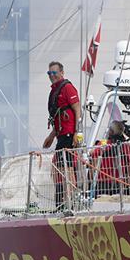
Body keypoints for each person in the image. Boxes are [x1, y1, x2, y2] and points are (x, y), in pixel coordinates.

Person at [43, 61, 81, 209]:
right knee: (58, 168)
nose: (52, 76)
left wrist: (77, 132)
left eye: (54, 73)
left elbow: (77, 109)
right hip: (60, 134)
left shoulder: (67, 88)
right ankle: (62, 200)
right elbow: (57, 116)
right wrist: (51, 136)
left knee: (67, 167)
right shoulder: (54, 91)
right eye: (49, 73)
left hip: (69, 134)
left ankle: (71, 200)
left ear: (62, 73)